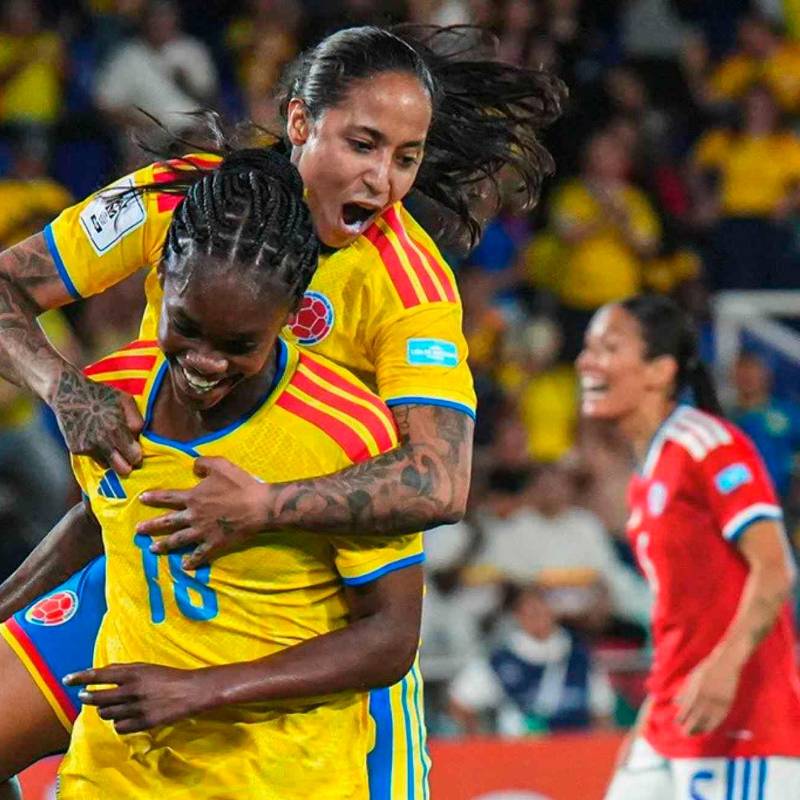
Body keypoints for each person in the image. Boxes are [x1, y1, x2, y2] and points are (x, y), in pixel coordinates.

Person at [0, 23, 565, 799]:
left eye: (406, 158)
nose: (382, 181)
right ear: (301, 122)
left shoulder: (408, 284)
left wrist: (264, 507)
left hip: (314, 614)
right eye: (363, 145)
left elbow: (440, 480)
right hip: (148, 572)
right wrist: (64, 389)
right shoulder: (176, 197)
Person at [33, 148, 424, 798]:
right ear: (163, 276)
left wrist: (199, 691)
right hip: (116, 771)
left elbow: (390, 636)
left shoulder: (347, 432)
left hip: (281, 776)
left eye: (240, 344)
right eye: (184, 327)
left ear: (291, 312)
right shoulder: (109, 395)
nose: (206, 362)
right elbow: (96, 524)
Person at [576, 295, 800, 799]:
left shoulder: (707, 446)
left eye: (608, 348)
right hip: (669, 722)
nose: (585, 362)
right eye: (587, 347)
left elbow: (775, 568)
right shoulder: (647, 478)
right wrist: (644, 726)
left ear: (659, 370)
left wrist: (724, 668)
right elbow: (681, 621)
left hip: (741, 728)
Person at [448, 582, 615, 736]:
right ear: (518, 615)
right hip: (519, 754)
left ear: (553, 612)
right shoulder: (500, 659)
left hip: (575, 750)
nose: (537, 618)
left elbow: (602, 711)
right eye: (530, 612)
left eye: (542, 610)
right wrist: (480, 743)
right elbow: (460, 702)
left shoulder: (580, 657)